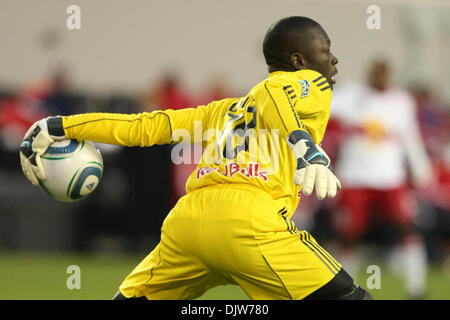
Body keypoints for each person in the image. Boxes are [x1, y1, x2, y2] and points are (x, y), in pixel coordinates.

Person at [19, 16, 372, 300]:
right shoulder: (307, 84)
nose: (333, 59)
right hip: (250, 221)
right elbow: (275, 89)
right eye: (326, 50)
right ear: (299, 61)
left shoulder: (225, 111)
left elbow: (147, 126)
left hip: (188, 223)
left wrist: (62, 124)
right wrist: (305, 147)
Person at [329, 60, 433, 299]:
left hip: (390, 177)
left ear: (390, 76)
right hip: (355, 176)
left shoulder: (401, 101)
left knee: (407, 227)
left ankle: (415, 288)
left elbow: (410, 136)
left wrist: (420, 168)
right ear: (370, 74)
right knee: (349, 234)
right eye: (376, 73)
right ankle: (343, 289)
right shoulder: (351, 95)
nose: (380, 78)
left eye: (384, 74)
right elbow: (323, 108)